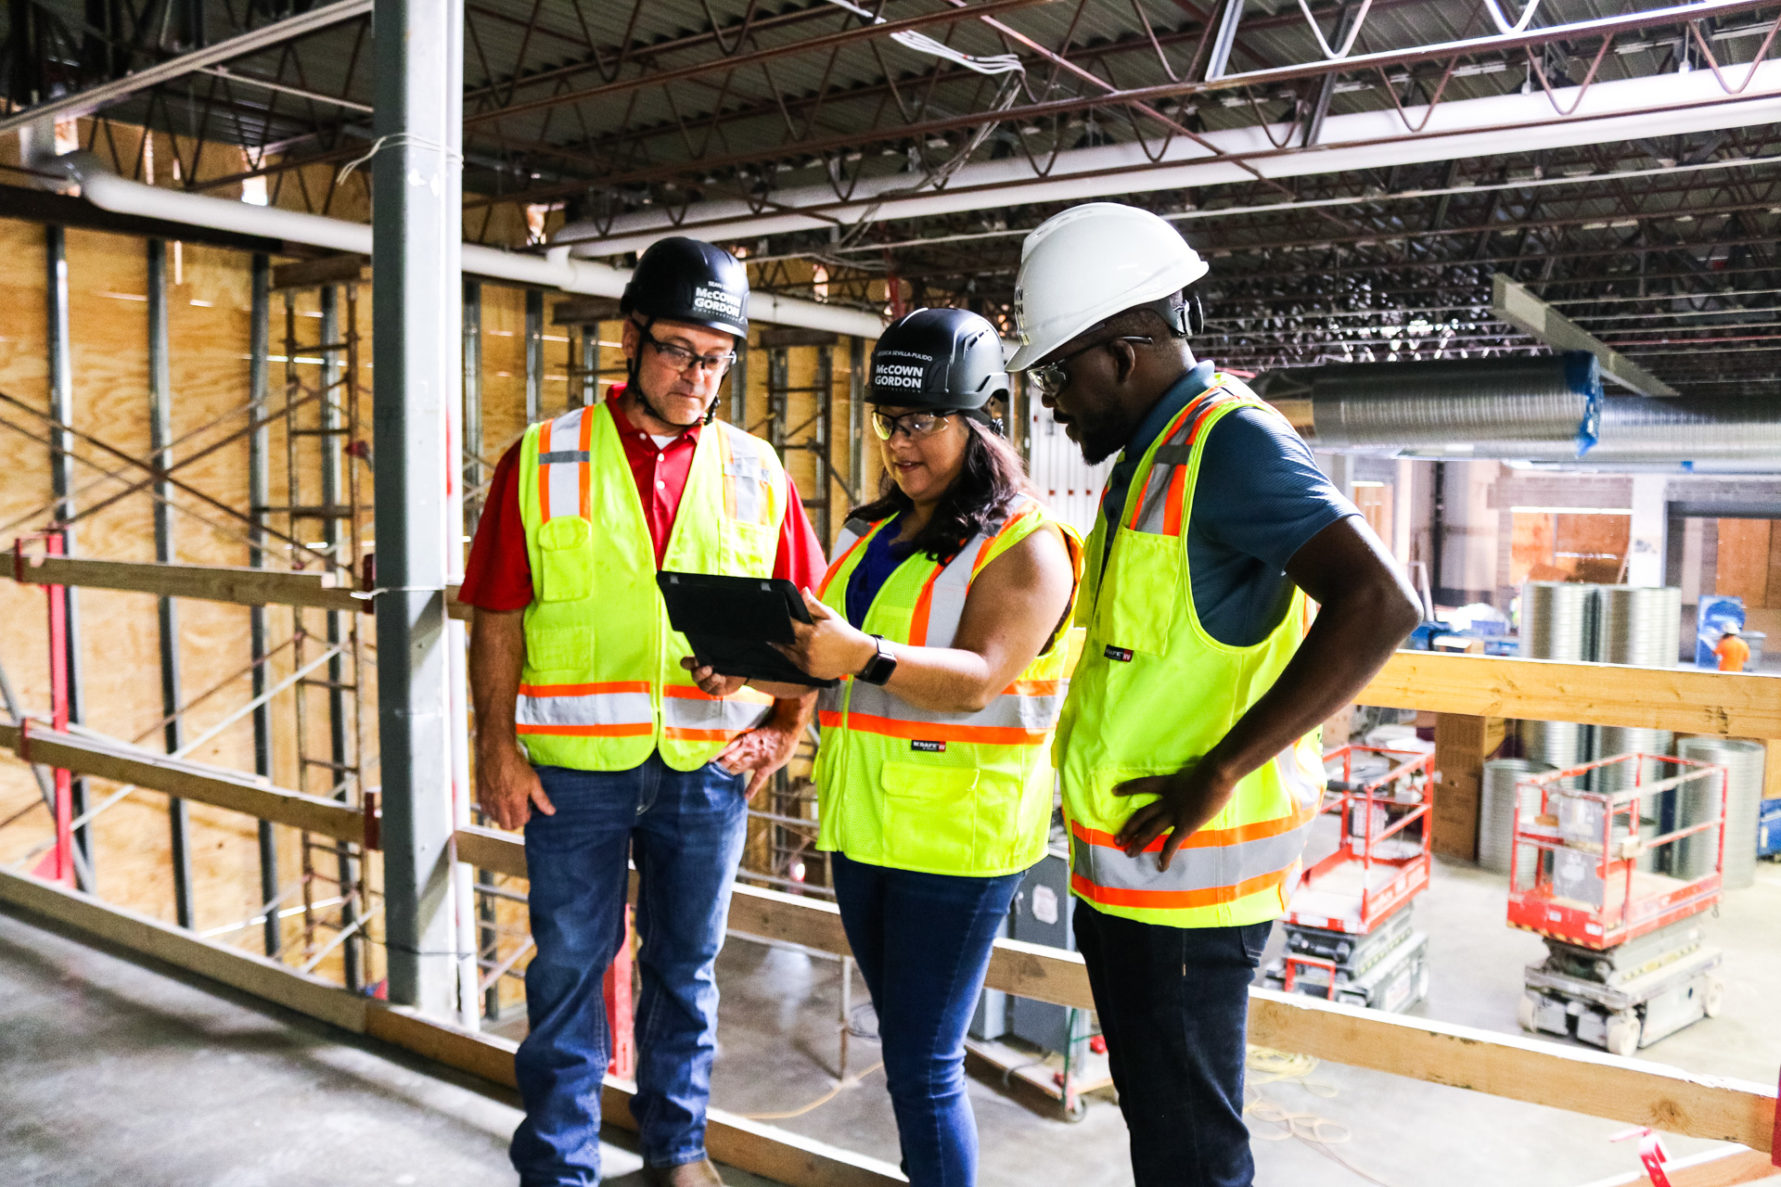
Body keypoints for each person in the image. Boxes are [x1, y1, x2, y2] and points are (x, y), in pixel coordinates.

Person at [1005, 203, 1421, 1187]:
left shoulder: (1230, 444)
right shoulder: (1152, 457)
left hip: (1192, 884)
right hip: (1131, 871)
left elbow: (1380, 600)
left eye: (1059, 371)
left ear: (1125, 350)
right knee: (1162, 1131)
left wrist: (1221, 767)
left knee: (1191, 1147)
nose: (1051, 400)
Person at [461, 236, 827, 1187]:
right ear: (630, 337)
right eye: (676, 349)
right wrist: (493, 749)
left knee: (685, 971)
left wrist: (785, 719)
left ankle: (677, 1152)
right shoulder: (543, 457)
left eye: (716, 358)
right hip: (571, 773)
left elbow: (808, 619)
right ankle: (560, 1166)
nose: (695, 376)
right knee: (569, 970)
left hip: (705, 768)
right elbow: (496, 612)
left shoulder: (756, 470)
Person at [691, 308, 1079, 1186]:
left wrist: (861, 653)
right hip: (865, 831)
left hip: (957, 840)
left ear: (977, 420)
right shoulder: (873, 533)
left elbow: (980, 674)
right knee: (909, 1052)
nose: (899, 446)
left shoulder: (1027, 545)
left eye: (919, 424)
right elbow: (823, 665)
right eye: (887, 424)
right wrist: (750, 671)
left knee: (922, 1060)